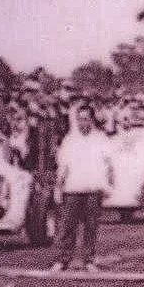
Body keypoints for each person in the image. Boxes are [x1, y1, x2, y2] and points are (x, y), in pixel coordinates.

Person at [51, 103, 114, 272]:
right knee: (67, 226)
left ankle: (88, 260)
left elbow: (109, 164)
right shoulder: (70, 140)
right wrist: (58, 187)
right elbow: (63, 166)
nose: (82, 123)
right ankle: (62, 260)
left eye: (86, 119)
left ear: (92, 120)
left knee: (91, 227)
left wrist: (109, 186)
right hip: (73, 189)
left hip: (93, 189)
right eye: (79, 119)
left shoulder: (100, 139)